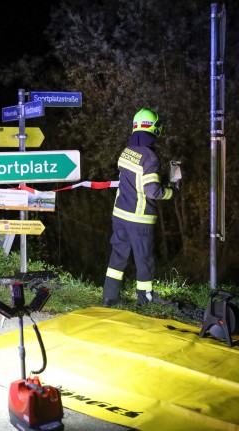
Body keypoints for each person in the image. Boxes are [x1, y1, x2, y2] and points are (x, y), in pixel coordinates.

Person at [102, 108, 176, 306]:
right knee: (144, 259)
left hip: (119, 215)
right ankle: (145, 298)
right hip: (139, 219)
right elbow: (153, 191)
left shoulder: (126, 152)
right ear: (154, 128)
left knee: (118, 257)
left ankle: (109, 297)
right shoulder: (150, 158)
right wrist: (170, 192)